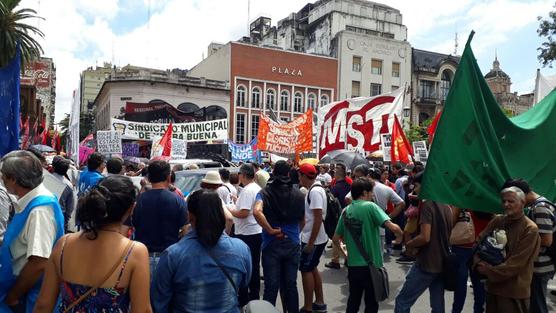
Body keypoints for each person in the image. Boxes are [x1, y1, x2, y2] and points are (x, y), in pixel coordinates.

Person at [34, 176, 152, 312]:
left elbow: (43, 304)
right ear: (131, 208)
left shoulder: (63, 244)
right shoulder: (134, 252)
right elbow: (142, 310)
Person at [152, 189, 251, 312]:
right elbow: (243, 284)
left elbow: (160, 301)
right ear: (221, 213)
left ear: (190, 216)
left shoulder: (173, 255)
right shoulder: (241, 250)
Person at [0, 151, 64, 312]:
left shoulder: (40, 210)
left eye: (4, 176)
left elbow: (39, 263)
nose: (2, 180)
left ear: (13, 179)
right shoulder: (31, 201)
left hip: (27, 299)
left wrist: (13, 297)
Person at [333, 178, 403, 313]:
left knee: (353, 300)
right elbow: (392, 227)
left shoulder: (346, 211)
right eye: (371, 192)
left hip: (353, 266)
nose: (372, 195)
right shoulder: (370, 207)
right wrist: (400, 236)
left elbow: (336, 238)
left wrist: (345, 253)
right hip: (372, 265)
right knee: (371, 303)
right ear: (364, 193)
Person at [472, 186, 541, 313]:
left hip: (514, 291)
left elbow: (517, 263)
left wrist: (490, 271)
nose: (506, 204)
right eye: (504, 201)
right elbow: (479, 242)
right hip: (493, 288)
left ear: (523, 202)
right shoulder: (498, 220)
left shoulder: (530, 229)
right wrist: (478, 263)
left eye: (511, 201)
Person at [394, 171, 453, 313]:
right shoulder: (446, 205)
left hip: (427, 262)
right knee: (438, 305)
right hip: (442, 262)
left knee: (402, 301)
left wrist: (408, 244)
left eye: (417, 185)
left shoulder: (428, 205)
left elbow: (425, 237)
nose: (415, 188)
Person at [253, 160, 305, 312]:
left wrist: (269, 229)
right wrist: (293, 234)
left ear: (273, 173)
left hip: (271, 242)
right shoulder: (299, 193)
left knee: (271, 286)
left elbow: (257, 211)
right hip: (292, 243)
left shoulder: (264, 192)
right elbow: (303, 221)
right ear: (289, 174)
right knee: (291, 285)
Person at [127, 160, 188, 279]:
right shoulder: (178, 200)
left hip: (142, 256)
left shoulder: (139, 200)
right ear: (169, 177)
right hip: (169, 256)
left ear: (149, 177)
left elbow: (131, 225)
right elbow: (185, 230)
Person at [501, 179, 554, 313]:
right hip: (536, 265)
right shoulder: (536, 205)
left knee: (537, 306)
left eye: (512, 199)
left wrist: (520, 241)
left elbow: (547, 240)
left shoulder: (540, 207)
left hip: (540, 266)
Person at [227, 164, 262, 306]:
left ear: (243, 175)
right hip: (253, 231)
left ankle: (246, 298)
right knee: (253, 265)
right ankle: (252, 296)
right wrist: (237, 202)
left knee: (246, 266)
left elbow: (243, 213)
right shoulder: (255, 188)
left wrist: (229, 209)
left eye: (239, 174)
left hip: (247, 233)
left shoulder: (248, 190)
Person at [298, 163, 328, 313]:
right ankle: (319, 302)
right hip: (315, 237)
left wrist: (310, 243)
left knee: (305, 270)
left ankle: (309, 307)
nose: (299, 178)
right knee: (312, 268)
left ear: (304, 176)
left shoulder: (315, 191)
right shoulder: (316, 189)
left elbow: (317, 218)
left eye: (299, 175)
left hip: (313, 238)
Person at [451, 209, 493, 313]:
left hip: (462, 246)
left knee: (460, 287)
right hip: (481, 247)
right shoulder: (491, 200)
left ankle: (456, 311)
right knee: (479, 289)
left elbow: (451, 222)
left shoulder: (463, 199)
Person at [326, 163, 351, 270]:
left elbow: (331, 204)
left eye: (335, 172)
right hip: (350, 214)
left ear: (338, 174)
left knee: (336, 239)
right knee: (346, 239)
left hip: (339, 216)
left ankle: (336, 260)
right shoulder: (350, 186)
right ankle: (347, 259)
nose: (334, 174)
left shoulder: (335, 188)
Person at [51, 156, 76, 233]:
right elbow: (70, 206)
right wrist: (66, 219)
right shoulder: (68, 185)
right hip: (61, 215)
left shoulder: (45, 178)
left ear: (53, 167)